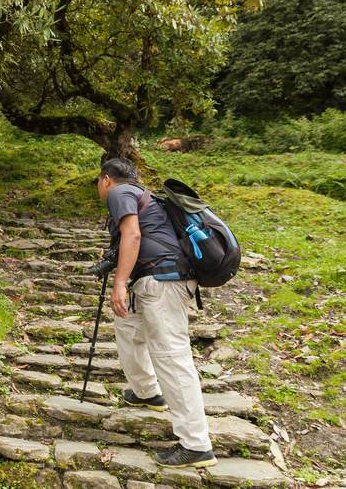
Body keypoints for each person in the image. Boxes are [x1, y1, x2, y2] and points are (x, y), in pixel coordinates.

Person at [96, 157, 216, 469]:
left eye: (98, 182)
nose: (99, 188)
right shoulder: (143, 196)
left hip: (162, 283)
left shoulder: (119, 193)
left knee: (172, 358)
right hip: (152, 282)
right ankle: (147, 392)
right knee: (128, 330)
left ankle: (196, 444)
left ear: (106, 179)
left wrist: (118, 284)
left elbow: (134, 236)